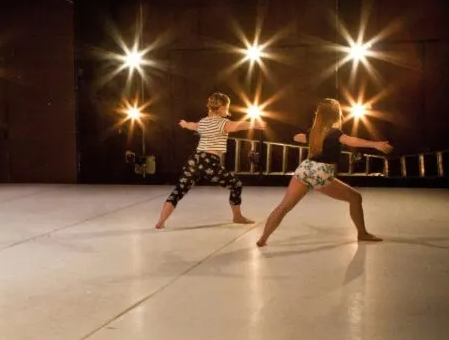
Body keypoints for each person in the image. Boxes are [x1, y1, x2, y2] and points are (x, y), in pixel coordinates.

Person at [255, 98, 393, 247]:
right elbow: (352, 140)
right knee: (355, 198)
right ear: (335, 116)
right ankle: (362, 233)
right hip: (321, 172)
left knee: (283, 207)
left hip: (305, 169)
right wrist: (375, 144)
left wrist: (304, 137)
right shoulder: (334, 133)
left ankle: (263, 239)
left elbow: (297, 137)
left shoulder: (313, 132)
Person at [155, 92, 265, 229]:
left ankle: (161, 221)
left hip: (195, 160)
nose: (227, 110)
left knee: (179, 190)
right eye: (226, 107)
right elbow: (238, 125)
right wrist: (255, 124)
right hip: (209, 161)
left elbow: (191, 125)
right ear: (223, 107)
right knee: (236, 184)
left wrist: (183, 124)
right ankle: (237, 217)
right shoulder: (223, 122)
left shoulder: (203, 122)